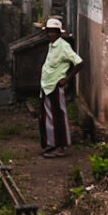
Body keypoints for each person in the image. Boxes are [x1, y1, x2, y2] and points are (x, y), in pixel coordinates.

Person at [39, 15, 82, 154]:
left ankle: (61, 146)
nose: (50, 34)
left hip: (55, 86)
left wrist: (67, 79)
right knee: (48, 117)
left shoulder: (63, 46)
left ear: (59, 33)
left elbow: (79, 62)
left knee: (58, 116)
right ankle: (52, 143)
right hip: (47, 86)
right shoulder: (52, 45)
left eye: (53, 31)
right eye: (49, 31)